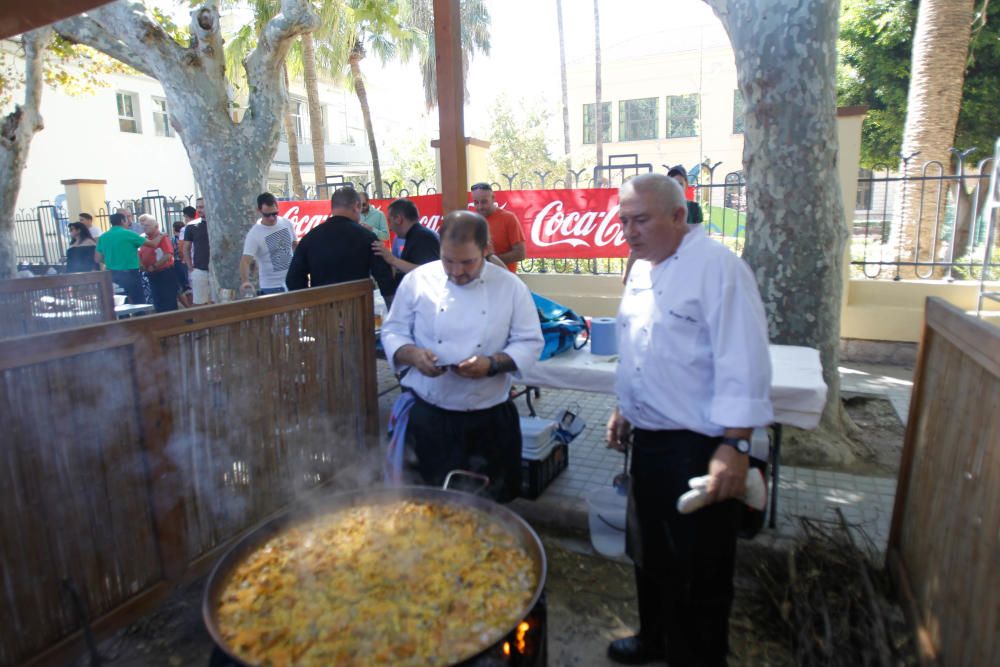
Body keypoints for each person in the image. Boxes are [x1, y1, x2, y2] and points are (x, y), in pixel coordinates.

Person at [605, 173, 773, 666]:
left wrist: (736, 446)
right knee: (650, 553)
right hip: (650, 441)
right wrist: (623, 406)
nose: (630, 232)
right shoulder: (640, 268)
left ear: (679, 216)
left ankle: (698, 657)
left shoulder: (719, 268)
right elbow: (640, 348)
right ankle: (654, 638)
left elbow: (744, 360)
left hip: (700, 446)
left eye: (641, 220)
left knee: (699, 568)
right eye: (623, 221)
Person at [380, 210, 544, 502]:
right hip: (430, 418)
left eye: (467, 262)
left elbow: (530, 342)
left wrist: (492, 364)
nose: (456, 271)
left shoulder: (510, 287)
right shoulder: (418, 280)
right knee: (427, 504)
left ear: (486, 250)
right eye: (448, 261)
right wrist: (413, 355)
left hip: (490, 420)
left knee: (491, 508)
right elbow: (393, 332)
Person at [285, 187, 396, 297]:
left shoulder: (310, 239)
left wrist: (311, 304)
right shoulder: (368, 238)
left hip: (322, 309)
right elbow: (385, 280)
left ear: (333, 208)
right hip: (359, 309)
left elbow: (293, 279)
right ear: (357, 206)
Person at [371, 198, 440, 290]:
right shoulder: (414, 236)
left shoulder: (422, 237)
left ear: (398, 219)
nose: (390, 227)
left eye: (389, 221)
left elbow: (428, 273)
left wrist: (392, 260)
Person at [239, 193, 298, 296]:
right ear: (259, 211)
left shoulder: (287, 223)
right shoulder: (254, 234)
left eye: (275, 213)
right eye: (267, 215)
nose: (271, 218)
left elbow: (295, 246)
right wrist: (245, 281)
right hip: (271, 287)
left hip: (293, 280)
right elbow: (245, 261)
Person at [95, 212, 154, 305]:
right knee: (137, 301)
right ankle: (140, 318)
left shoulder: (103, 237)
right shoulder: (129, 234)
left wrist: (110, 261)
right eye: (126, 220)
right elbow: (152, 244)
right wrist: (161, 236)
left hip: (112, 273)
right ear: (122, 221)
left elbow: (97, 258)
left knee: (120, 302)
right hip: (130, 272)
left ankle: (124, 318)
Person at [470, 182, 526, 272]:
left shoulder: (508, 218)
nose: (480, 206)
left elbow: (520, 254)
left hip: (504, 279)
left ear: (493, 198)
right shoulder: (471, 220)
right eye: (476, 202)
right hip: (478, 279)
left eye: (484, 202)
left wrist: (488, 260)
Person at [137, 214, 179, 312]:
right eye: (143, 225)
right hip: (151, 273)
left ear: (156, 226)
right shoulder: (143, 238)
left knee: (168, 300)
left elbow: (168, 254)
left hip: (164, 272)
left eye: (147, 225)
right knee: (157, 299)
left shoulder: (162, 237)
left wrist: (155, 266)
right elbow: (139, 252)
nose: (144, 227)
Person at [181, 197, 211, 304]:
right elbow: (186, 248)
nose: (199, 210)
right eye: (198, 207)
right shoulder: (191, 226)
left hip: (219, 270)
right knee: (200, 303)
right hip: (200, 269)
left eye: (202, 207)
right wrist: (190, 267)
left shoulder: (220, 223)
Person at [171, 219, 193, 307]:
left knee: (182, 286)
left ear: (174, 229)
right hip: (186, 262)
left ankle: (188, 306)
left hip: (177, 263)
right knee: (187, 285)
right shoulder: (187, 237)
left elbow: (178, 251)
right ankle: (190, 305)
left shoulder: (173, 239)